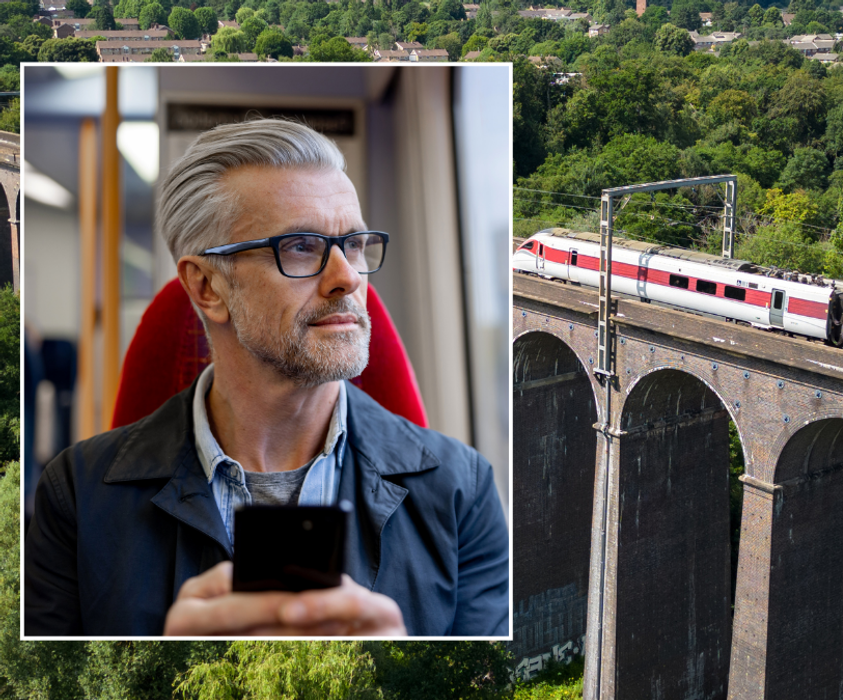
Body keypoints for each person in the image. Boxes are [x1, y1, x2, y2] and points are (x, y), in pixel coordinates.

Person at [24, 119, 509, 637]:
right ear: (208, 286)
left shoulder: (463, 492)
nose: (347, 276)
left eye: (356, 244)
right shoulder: (74, 499)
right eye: (301, 246)